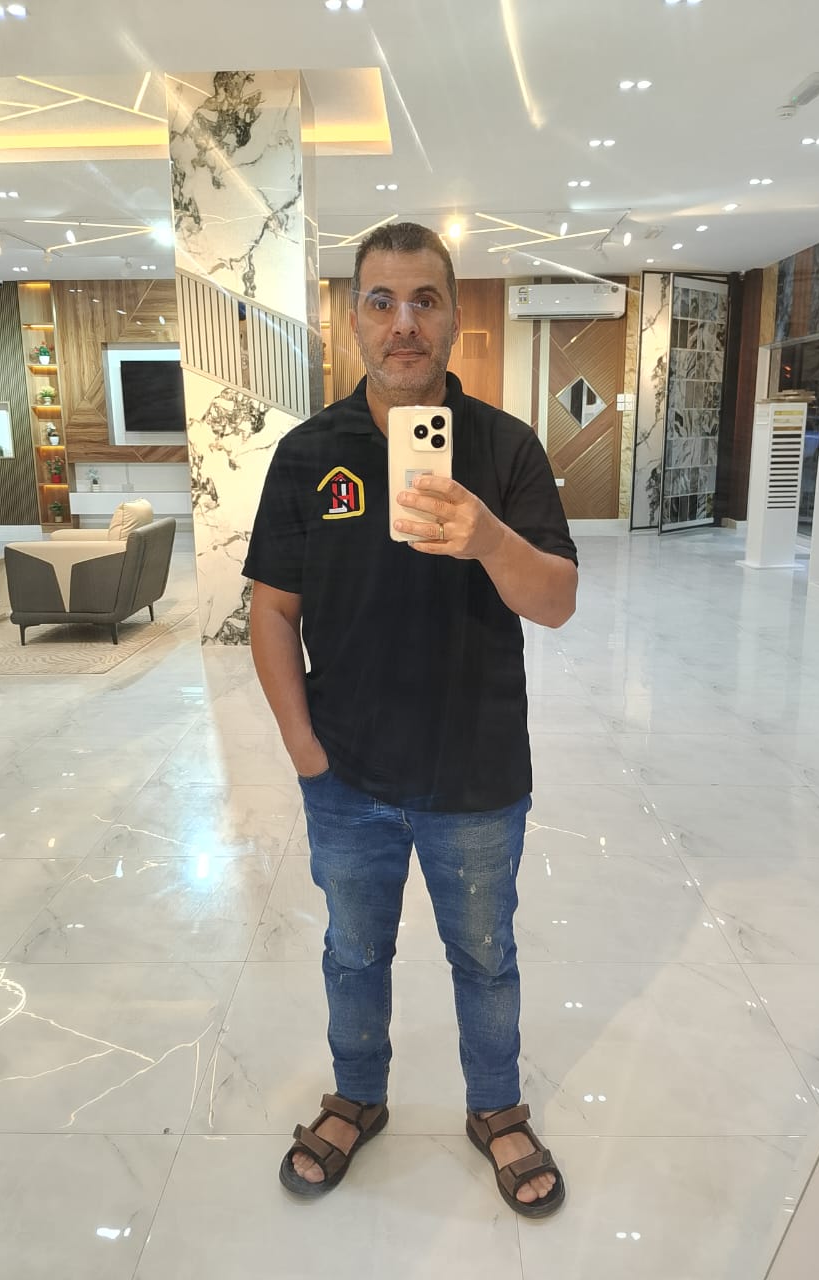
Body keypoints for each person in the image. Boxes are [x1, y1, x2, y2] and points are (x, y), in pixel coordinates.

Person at [244, 222, 578, 1218]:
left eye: (425, 300)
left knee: (485, 956)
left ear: (455, 317)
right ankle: (357, 1094)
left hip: (476, 771)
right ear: (352, 319)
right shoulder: (310, 454)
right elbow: (271, 610)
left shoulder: (505, 447)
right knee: (353, 952)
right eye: (382, 301)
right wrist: (304, 749)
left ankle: (496, 1106)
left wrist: (487, 537)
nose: (403, 324)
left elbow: (556, 601)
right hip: (347, 775)